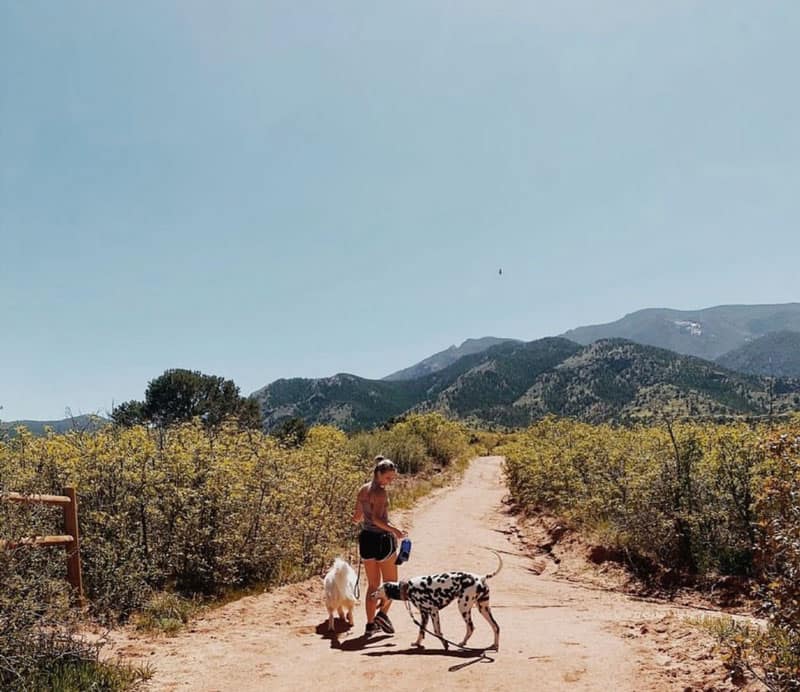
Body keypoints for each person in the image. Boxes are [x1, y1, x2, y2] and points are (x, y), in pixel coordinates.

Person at [352, 456, 407, 637]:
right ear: (379, 473)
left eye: (392, 478)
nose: (390, 482)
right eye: (388, 478)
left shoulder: (363, 489)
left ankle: (370, 625)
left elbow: (357, 517)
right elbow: (377, 519)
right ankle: (382, 615)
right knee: (392, 585)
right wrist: (395, 531)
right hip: (382, 540)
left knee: (373, 585)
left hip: (366, 539)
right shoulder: (380, 492)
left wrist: (362, 519)